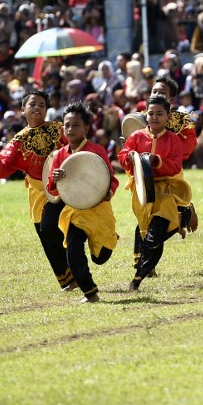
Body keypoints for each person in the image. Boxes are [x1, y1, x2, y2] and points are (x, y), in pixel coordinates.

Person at [0, 90, 72, 290]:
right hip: (40, 193)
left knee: (58, 228)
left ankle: (77, 266)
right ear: (23, 110)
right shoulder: (18, 141)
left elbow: (76, 148)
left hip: (66, 186)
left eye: (41, 105)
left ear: (46, 109)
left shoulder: (59, 129)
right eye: (33, 104)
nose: (37, 108)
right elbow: (4, 166)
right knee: (45, 233)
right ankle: (67, 278)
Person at [46, 102, 118, 303]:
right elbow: (52, 188)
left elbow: (112, 180)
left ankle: (111, 237)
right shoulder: (60, 154)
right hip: (74, 211)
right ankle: (90, 292)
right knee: (73, 249)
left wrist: (107, 194)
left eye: (75, 125)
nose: (70, 129)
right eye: (66, 125)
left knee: (100, 257)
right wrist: (56, 179)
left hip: (98, 210)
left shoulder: (97, 150)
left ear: (86, 127)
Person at [121, 94, 194, 290]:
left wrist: (157, 161)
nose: (154, 117)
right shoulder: (136, 136)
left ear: (168, 117)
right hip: (142, 191)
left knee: (154, 236)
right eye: (150, 113)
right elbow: (123, 157)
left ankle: (137, 279)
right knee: (149, 235)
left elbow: (175, 166)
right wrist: (128, 157)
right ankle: (183, 215)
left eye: (159, 114)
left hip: (165, 192)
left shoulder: (173, 140)